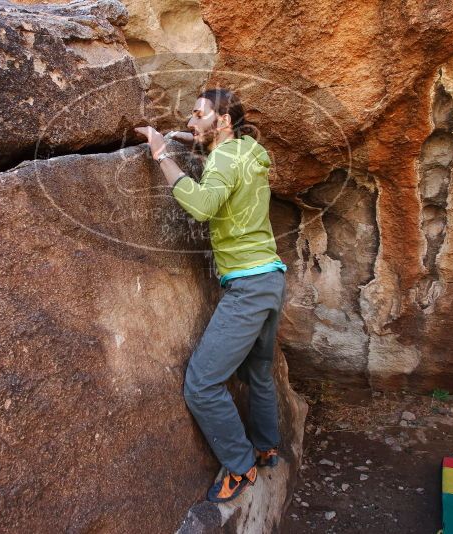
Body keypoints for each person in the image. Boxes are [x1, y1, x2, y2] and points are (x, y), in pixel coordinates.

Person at [134, 88, 286, 503]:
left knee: (202, 385)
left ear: (222, 121)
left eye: (197, 115)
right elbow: (227, 171)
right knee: (256, 373)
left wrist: (161, 153)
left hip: (248, 287)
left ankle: (241, 466)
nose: (189, 120)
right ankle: (268, 446)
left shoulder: (223, 158)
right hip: (270, 279)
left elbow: (203, 205)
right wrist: (194, 142)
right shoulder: (249, 150)